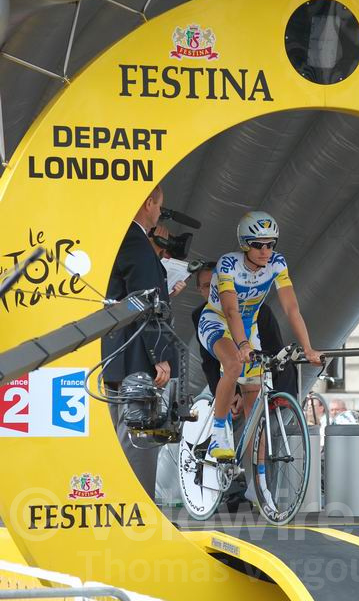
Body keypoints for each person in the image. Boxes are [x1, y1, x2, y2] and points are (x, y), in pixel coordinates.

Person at [197, 211, 322, 490]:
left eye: (270, 244)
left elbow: (291, 308)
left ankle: (259, 485)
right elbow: (230, 310)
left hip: (248, 327)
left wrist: (308, 347)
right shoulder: (228, 264)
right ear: (244, 244)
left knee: (257, 409)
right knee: (233, 365)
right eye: (257, 244)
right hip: (218, 321)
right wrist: (242, 345)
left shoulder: (277, 263)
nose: (265, 251)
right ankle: (219, 430)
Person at [102, 185, 182, 498]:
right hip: (137, 355)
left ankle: (123, 506)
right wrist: (160, 353)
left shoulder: (112, 235)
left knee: (122, 434)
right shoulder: (134, 239)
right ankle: (139, 511)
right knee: (140, 437)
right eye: (159, 206)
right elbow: (146, 300)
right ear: (149, 204)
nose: (160, 213)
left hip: (115, 352)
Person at [192, 261, 298, 401]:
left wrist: (246, 392)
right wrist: (226, 397)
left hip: (267, 380)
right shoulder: (201, 315)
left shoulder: (260, 310)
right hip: (233, 379)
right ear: (199, 290)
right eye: (207, 286)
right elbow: (210, 363)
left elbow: (273, 353)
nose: (214, 289)